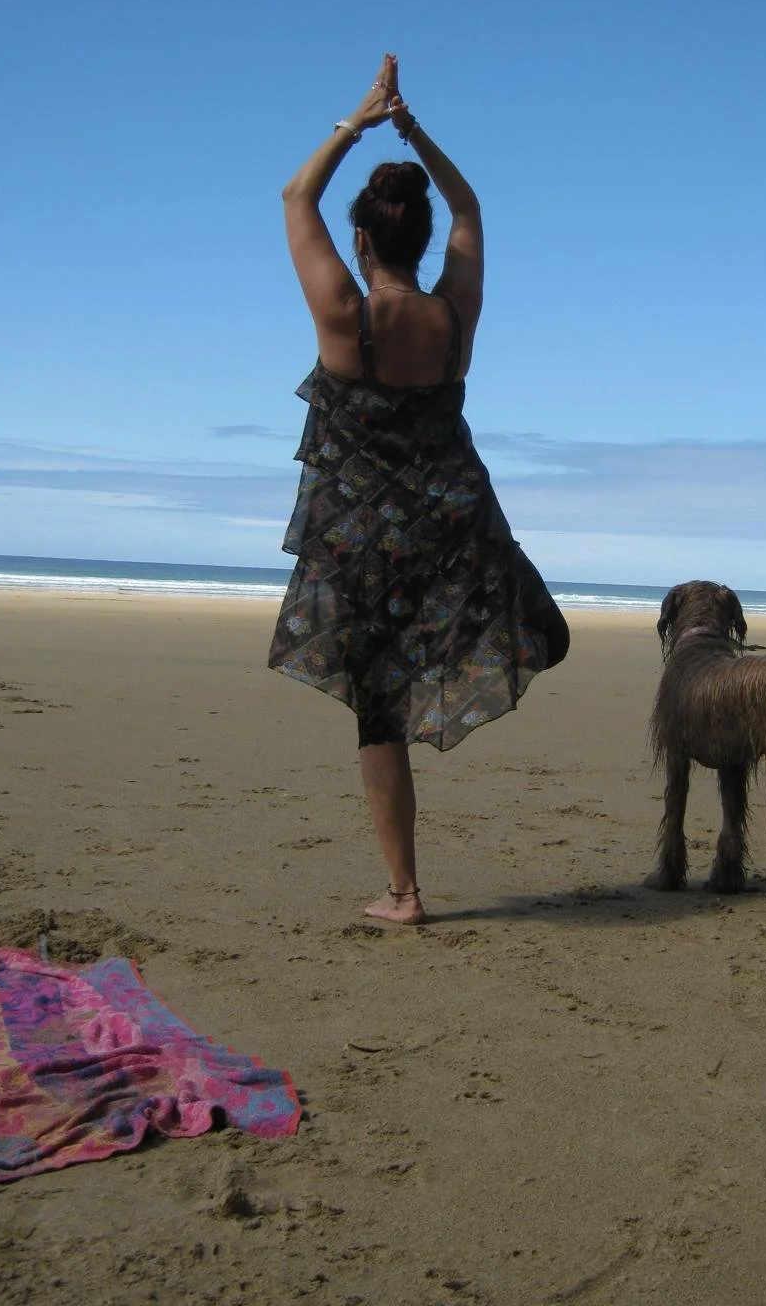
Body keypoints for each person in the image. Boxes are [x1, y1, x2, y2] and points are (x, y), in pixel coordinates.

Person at [269, 55, 570, 925]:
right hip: (452, 530)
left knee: (380, 714)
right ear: (420, 238)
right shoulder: (452, 318)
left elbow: (296, 199)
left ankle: (405, 893)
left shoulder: (340, 312)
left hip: (361, 546)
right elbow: (472, 208)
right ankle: (515, 638)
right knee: (522, 626)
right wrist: (413, 132)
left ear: (361, 242)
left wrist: (357, 121)